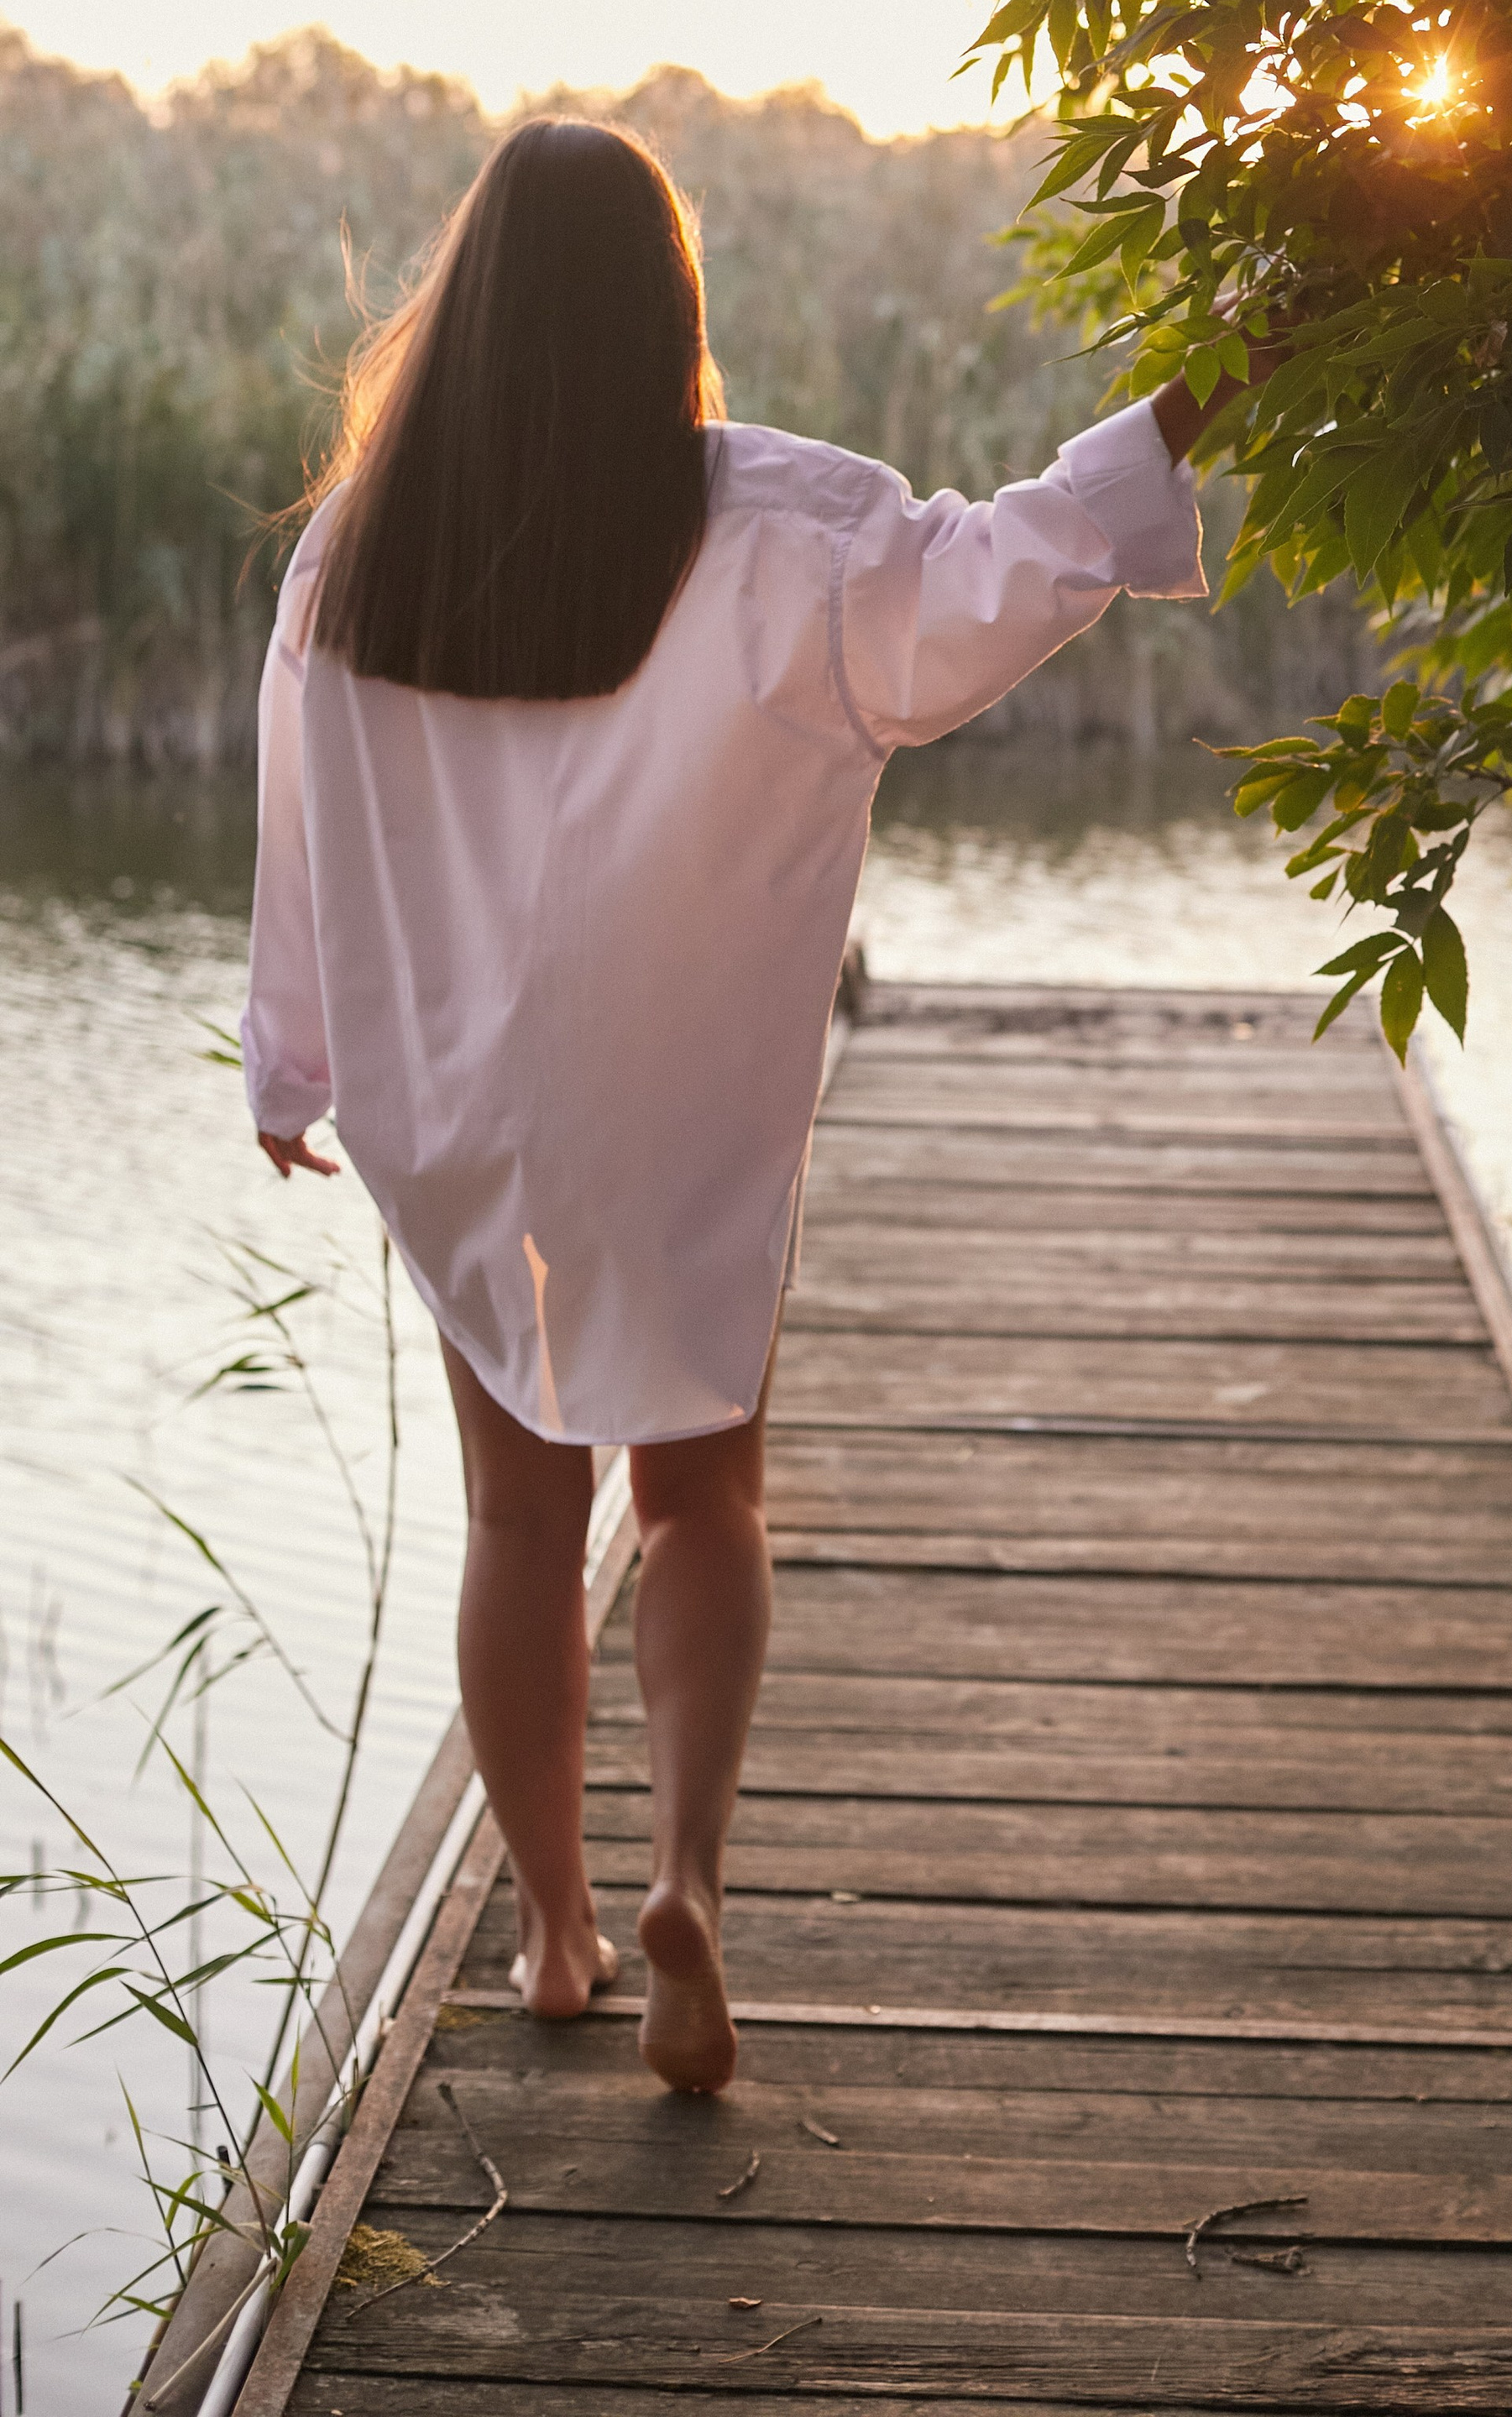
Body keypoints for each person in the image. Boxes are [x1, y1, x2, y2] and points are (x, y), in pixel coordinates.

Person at [239, 114, 1246, 2095]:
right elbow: (1006, 566)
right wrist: (1199, 391)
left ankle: (550, 1933)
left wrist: (294, 1056)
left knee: (519, 1512)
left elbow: (299, 818)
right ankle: (689, 1879)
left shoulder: (359, 547)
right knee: (701, 1495)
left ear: (466, 305)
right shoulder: (785, 524)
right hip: (671, 1091)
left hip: (451, 1103)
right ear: (665, 309)